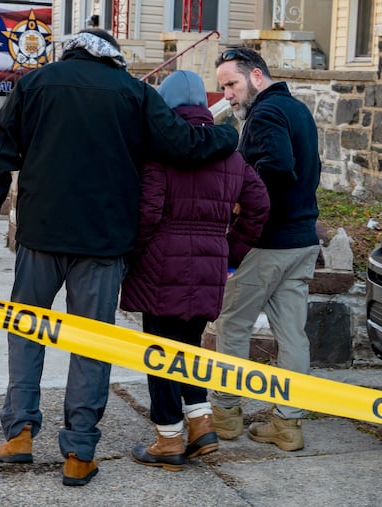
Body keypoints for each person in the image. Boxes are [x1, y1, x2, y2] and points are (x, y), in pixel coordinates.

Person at [0, 29, 239, 486]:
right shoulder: (133, 91)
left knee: (26, 332)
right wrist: (227, 136)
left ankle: (19, 435)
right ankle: (79, 452)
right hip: (105, 243)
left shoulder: (35, 84)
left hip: (41, 236)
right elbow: (182, 145)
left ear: (71, 51)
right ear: (113, 58)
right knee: (91, 344)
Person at [119, 70, 270, 472]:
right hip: (207, 264)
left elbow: (148, 213)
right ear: (204, 107)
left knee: (159, 353)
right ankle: (201, 426)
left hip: (159, 264)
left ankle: (168, 440)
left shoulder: (159, 154)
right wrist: (229, 253)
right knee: (188, 347)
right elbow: (259, 206)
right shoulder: (233, 156)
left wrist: (132, 254)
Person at [210, 48, 322, 451]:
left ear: (256, 76)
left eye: (232, 84)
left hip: (268, 241)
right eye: (224, 86)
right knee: (292, 334)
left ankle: (224, 415)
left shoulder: (267, 113)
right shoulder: (298, 110)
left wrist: (242, 197)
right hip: (303, 239)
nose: (228, 94)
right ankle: (287, 425)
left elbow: (277, 164)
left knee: (232, 324)